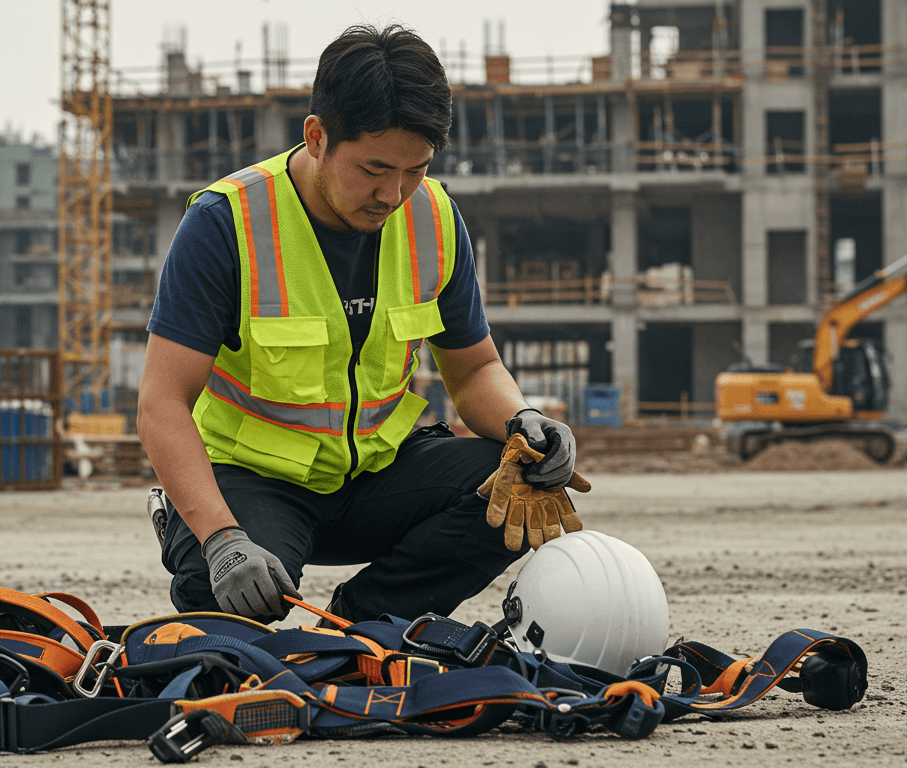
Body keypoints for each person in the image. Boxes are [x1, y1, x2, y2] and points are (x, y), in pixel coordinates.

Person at [138, 23, 578, 625]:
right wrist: (220, 539)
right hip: (251, 485)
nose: (393, 193)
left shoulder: (436, 219)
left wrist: (522, 421)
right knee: (232, 607)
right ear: (317, 137)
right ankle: (193, 531)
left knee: (519, 482)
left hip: (378, 475)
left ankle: (364, 629)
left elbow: (475, 368)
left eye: (415, 169)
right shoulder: (226, 223)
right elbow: (162, 402)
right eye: (374, 168)